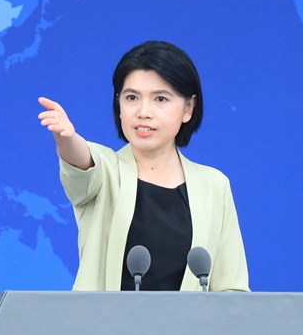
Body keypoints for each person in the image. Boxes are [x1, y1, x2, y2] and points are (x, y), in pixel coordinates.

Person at [38, 41, 249, 292]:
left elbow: (231, 289)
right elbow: (81, 162)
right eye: (131, 98)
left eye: (160, 98)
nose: (143, 112)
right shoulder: (106, 172)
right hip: (103, 319)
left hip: (190, 320)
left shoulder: (214, 185)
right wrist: (67, 139)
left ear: (188, 108)